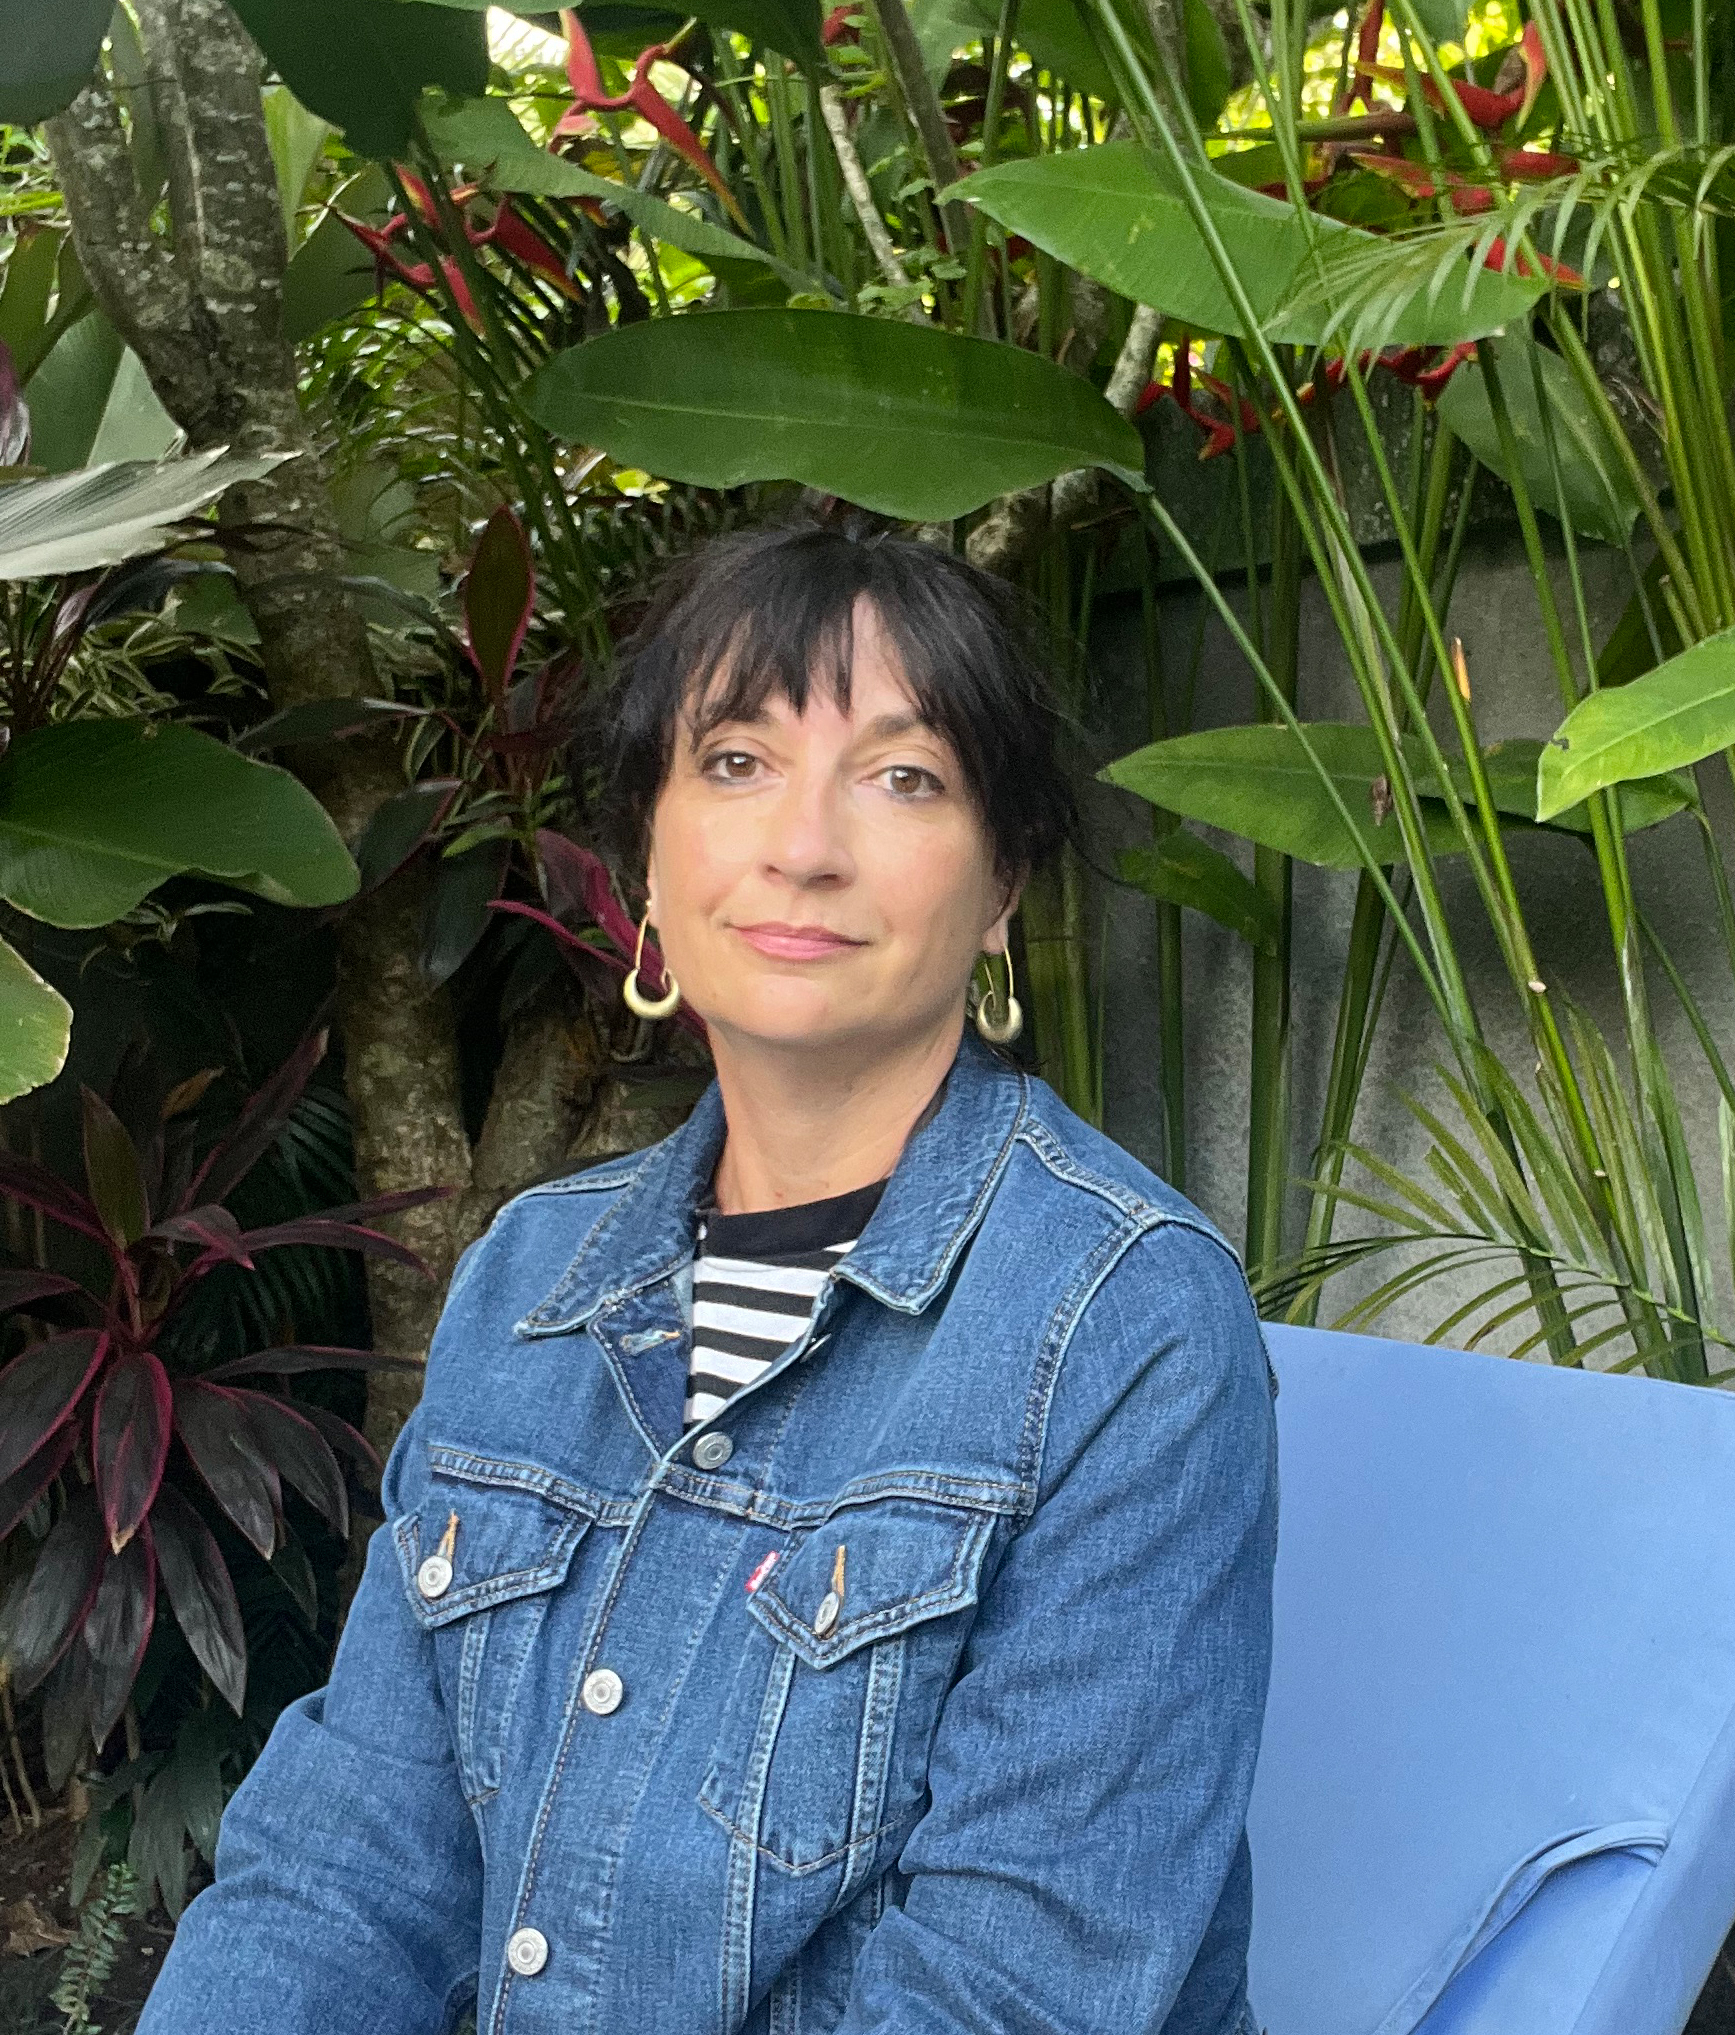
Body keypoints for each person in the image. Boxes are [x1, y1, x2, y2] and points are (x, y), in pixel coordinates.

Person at [138, 517, 1279, 2035]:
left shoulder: (1127, 1327)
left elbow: (1014, 1995)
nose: (803, 846)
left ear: (1003, 887)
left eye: (902, 776)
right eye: (736, 761)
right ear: (648, 867)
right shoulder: (531, 1279)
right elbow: (349, 1864)